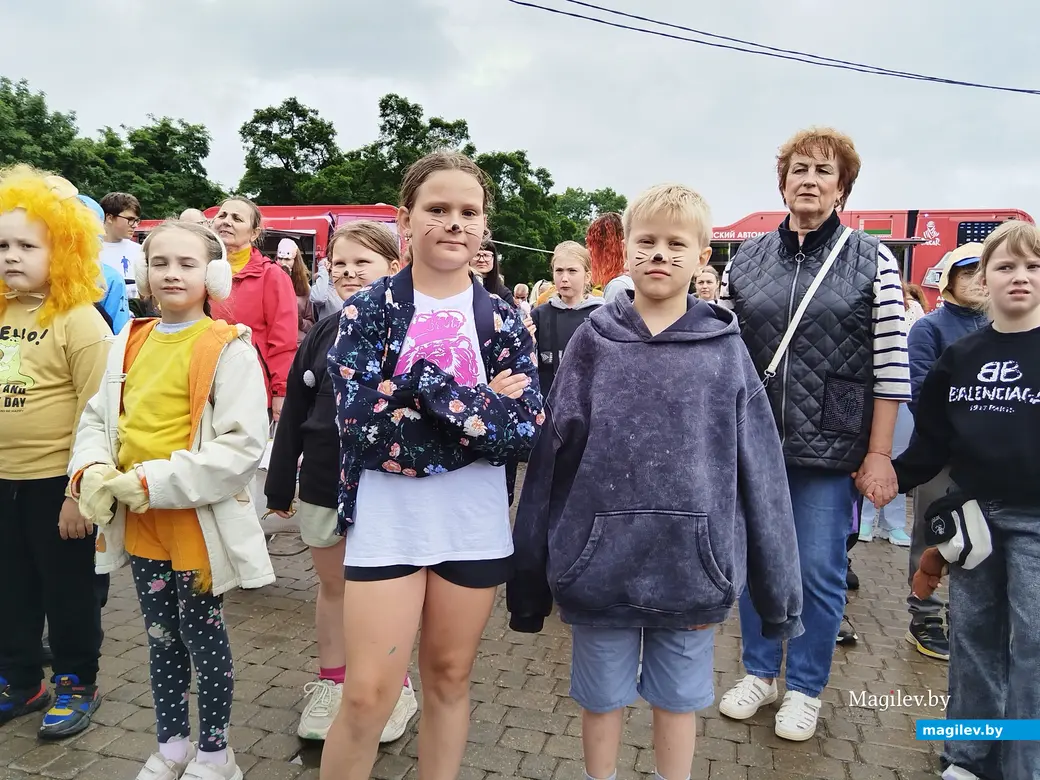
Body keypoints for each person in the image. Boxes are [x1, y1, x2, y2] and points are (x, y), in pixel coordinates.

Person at [508, 184, 803, 780]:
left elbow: (764, 477)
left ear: (702, 257)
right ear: (626, 250)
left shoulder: (726, 351)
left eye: (677, 244)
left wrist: (778, 600)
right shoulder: (591, 343)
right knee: (601, 701)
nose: (660, 254)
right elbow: (550, 464)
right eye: (647, 242)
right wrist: (529, 583)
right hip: (597, 573)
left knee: (678, 703)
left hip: (692, 575)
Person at [320, 151, 543, 780]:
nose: (454, 223)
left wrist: (414, 395)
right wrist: (475, 413)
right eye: (437, 209)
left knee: (448, 678)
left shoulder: (503, 318)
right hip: (387, 522)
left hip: (471, 525)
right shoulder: (369, 310)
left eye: (468, 212)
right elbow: (362, 428)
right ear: (405, 220)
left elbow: (525, 430)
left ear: (484, 225)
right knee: (366, 697)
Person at [718, 127, 910, 741]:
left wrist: (879, 451)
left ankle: (805, 686)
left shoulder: (871, 258)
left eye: (824, 171)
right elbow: (723, 352)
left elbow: (890, 363)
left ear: (842, 188)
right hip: (754, 439)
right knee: (754, 563)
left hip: (830, 442)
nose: (810, 179)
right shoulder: (744, 259)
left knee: (818, 571)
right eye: (799, 168)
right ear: (782, 181)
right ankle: (758, 671)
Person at [68, 220, 274, 780]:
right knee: (159, 637)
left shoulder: (228, 347)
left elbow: (242, 446)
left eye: (187, 263)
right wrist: (89, 468)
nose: (172, 273)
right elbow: (97, 418)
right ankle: (172, 744)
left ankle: (215, 752)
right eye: (161, 263)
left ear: (211, 273)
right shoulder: (126, 341)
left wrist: (152, 481)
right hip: (141, 522)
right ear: (144, 273)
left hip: (194, 522)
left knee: (202, 635)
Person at [888, 220, 1040, 780]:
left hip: (1037, 523)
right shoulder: (962, 357)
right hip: (974, 518)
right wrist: (885, 478)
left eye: (1032, 266)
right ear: (984, 279)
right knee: (973, 640)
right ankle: (968, 757)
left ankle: (1025, 762)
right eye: (1005, 266)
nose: (1018, 276)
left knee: (1034, 648)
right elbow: (931, 443)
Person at [265, 222, 417, 743]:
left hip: (385, 487)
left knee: (384, 595)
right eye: (340, 263)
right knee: (334, 589)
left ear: (394, 267)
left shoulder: (415, 329)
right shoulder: (323, 333)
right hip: (325, 482)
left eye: (364, 262)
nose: (350, 272)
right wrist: (280, 484)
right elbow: (295, 415)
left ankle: (394, 688)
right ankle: (333, 681)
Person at [0, 166, 111, 739]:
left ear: (63, 249)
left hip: (55, 486)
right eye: (2, 244)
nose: (12, 256)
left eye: (27, 245)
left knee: (67, 593)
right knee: (9, 588)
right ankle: (21, 680)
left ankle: (75, 682)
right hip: (3, 483)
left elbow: (99, 418)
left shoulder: (79, 321)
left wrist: (77, 494)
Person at [900, 242, 988, 661]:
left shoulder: (1001, 327)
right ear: (947, 281)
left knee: (982, 538)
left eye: (984, 271)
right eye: (968, 272)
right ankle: (925, 616)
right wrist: (954, 435)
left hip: (988, 461)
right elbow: (917, 390)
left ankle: (967, 615)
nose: (979, 280)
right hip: (941, 455)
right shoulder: (930, 328)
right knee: (933, 533)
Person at [208, 197, 297, 420]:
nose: (226, 221)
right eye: (222, 215)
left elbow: (283, 340)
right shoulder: (198, 269)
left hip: (251, 386)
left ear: (254, 233)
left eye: (237, 218)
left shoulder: (272, 276)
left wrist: (281, 391)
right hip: (203, 382)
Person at [530, 241, 603, 396]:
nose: (564, 278)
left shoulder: (601, 315)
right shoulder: (540, 315)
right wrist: (526, 341)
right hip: (548, 401)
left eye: (572, 271)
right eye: (559, 271)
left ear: (587, 276)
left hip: (588, 401)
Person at [99, 192, 145, 299]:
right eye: (130, 220)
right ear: (109, 218)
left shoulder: (140, 251)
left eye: (137, 220)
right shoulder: (88, 251)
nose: (135, 225)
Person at [275, 238, 316, 345]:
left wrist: (301, 322)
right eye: (280, 258)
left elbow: (312, 324)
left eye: (287, 259)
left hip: (296, 343)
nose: (283, 263)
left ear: (295, 260)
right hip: (275, 341)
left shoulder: (305, 288)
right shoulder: (269, 283)